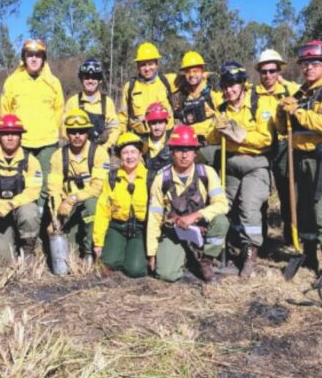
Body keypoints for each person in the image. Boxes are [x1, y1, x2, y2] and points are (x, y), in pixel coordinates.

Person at [275, 40, 322, 276]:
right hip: (302, 158)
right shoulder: (300, 93)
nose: (308, 68)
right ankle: (309, 255)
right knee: (305, 208)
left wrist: (298, 111)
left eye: (315, 63)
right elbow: (282, 129)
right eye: (305, 64)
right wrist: (281, 111)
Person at [209, 61, 275, 277]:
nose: (229, 90)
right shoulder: (221, 109)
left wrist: (240, 136)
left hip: (255, 167)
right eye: (226, 86)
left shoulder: (259, 104)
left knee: (248, 206)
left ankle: (251, 255)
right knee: (223, 207)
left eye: (233, 85)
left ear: (243, 85)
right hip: (230, 167)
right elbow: (213, 137)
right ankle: (218, 250)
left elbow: (266, 139)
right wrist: (217, 132)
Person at [147, 125, 230, 283]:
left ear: (195, 152)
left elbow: (222, 204)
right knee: (166, 274)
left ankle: (206, 261)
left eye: (189, 150)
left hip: (202, 230)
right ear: (172, 152)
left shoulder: (207, 173)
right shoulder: (161, 179)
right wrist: (152, 253)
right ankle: (184, 258)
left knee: (221, 221)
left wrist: (196, 216)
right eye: (179, 150)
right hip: (175, 232)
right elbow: (154, 216)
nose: (184, 155)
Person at [1, 39, 63, 209]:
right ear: (24, 58)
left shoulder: (53, 82)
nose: (34, 59)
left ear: (44, 59)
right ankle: (22, 222)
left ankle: (43, 221)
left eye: (38, 55)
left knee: (46, 184)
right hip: (21, 144)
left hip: (47, 143)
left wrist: (49, 129)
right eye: (30, 55)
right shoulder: (13, 82)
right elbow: (5, 111)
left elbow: (59, 110)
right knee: (19, 182)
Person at [0, 114, 42, 262]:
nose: (10, 138)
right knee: (5, 258)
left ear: (20, 137)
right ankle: (9, 239)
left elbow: (33, 191)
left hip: (19, 208)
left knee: (30, 212)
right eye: (6, 134)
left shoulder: (31, 161)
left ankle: (27, 248)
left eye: (14, 134)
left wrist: (12, 204)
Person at [48, 109, 110, 259]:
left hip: (88, 203)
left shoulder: (99, 153)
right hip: (67, 207)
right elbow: (54, 188)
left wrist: (72, 199)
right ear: (67, 133)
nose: (77, 136)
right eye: (73, 131)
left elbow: (97, 189)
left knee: (91, 209)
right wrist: (55, 215)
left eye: (81, 131)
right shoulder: (58, 156)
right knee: (70, 252)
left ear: (87, 132)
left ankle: (89, 252)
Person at [254, 49, 300, 246]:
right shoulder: (252, 94)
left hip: (284, 148)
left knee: (288, 194)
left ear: (279, 70)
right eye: (264, 72)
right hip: (260, 149)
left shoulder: (291, 90)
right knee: (259, 196)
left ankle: (292, 238)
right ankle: (259, 240)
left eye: (272, 71)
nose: (268, 76)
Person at [93, 133, 149, 278]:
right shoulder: (111, 177)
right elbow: (102, 210)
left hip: (139, 229)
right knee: (107, 263)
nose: (129, 157)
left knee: (135, 271)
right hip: (117, 227)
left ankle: (136, 255)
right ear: (119, 156)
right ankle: (121, 252)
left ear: (140, 154)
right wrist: (98, 242)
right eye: (125, 152)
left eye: (133, 152)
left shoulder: (150, 178)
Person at [118, 42, 176, 136]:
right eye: (143, 65)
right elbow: (122, 117)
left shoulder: (167, 80)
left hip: (165, 137)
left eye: (150, 64)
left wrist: (206, 76)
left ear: (157, 64)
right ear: (137, 66)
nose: (147, 68)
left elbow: (191, 77)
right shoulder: (130, 87)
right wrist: (123, 138)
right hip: (140, 138)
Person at [62, 58, 120, 149]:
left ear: (100, 80)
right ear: (81, 79)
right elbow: (64, 128)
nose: (90, 81)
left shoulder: (107, 103)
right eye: (87, 77)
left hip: (101, 151)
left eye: (94, 77)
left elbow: (115, 128)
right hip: (77, 151)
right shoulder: (72, 102)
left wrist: (106, 147)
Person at [171, 51, 216, 141]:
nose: (191, 75)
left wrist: (192, 129)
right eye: (187, 71)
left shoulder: (213, 90)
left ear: (202, 70)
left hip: (210, 142)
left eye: (195, 71)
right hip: (188, 143)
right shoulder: (181, 95)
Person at [142, 102, 172, 186]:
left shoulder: (174, 141)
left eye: (160, 122)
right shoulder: (141, 144)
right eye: (153, 123)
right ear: (148, 125)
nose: (157, 127)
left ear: (166, 123)